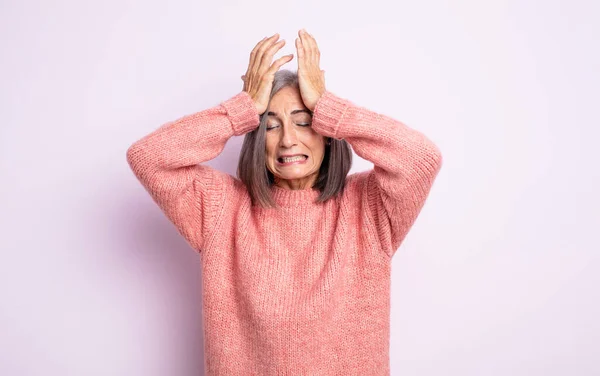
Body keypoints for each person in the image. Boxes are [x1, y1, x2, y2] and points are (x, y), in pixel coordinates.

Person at [126, 29, 443, 375]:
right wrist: (241, 108)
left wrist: (329, 106)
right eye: (271, 126)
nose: (288, 140)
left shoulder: (368, 207)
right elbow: (147, 157)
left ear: (327, 133)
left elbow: (421, 159)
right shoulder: (222, 209)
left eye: (304, 122)